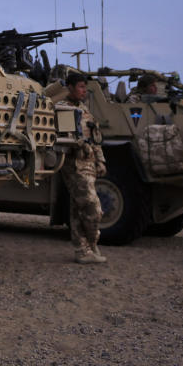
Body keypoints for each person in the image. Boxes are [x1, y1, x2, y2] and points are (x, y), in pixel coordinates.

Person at [58, 74, 108, 264]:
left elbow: (96, 139)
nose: (84, 91)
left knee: (78, 209)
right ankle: (91, 243)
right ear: (69, 87)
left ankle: (84, 250)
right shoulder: (63, 108)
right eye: (80, 87)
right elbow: (65, 138)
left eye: (85, 87)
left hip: (89, 164)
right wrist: (81, 146)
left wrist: (100, 161)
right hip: (75, 165)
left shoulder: (85, 110)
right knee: (92, 206)